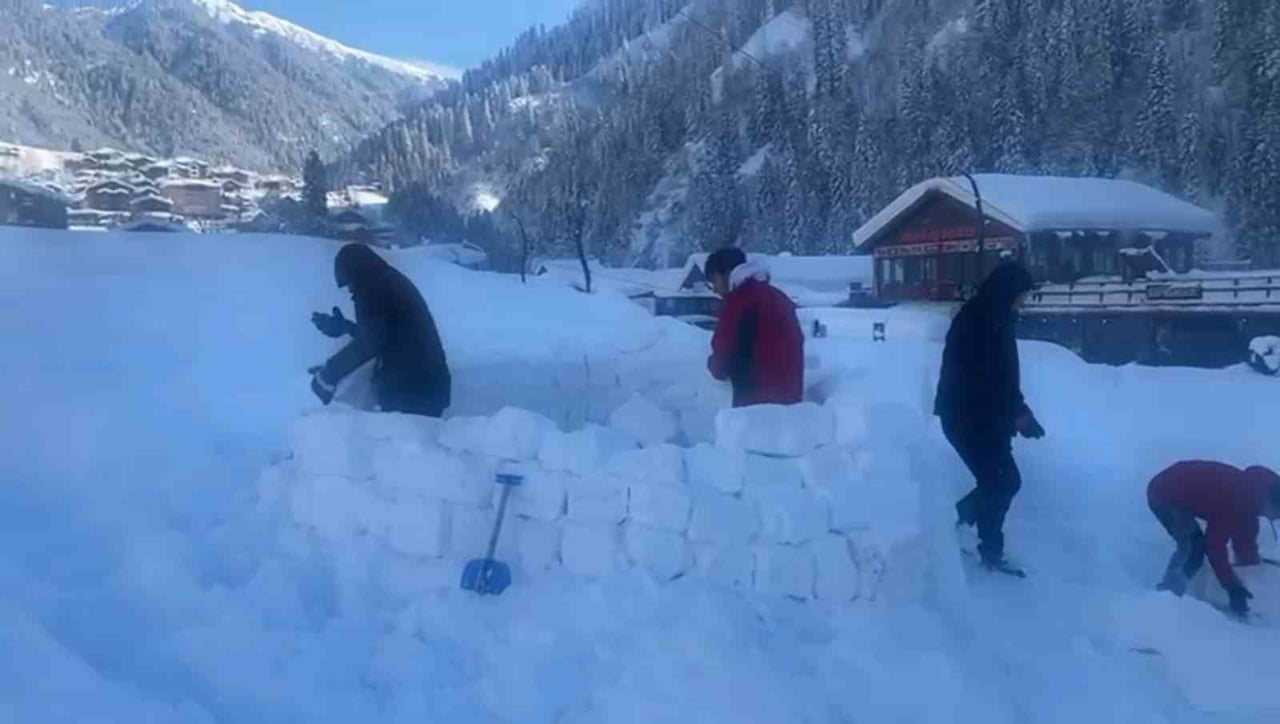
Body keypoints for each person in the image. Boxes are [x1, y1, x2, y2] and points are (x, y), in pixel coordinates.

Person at [935, 261, 1044, 571]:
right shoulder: (981, 321)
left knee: (999, 482)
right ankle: (951, 527)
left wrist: (1019, 411)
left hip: (982, 418)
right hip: (966, 417)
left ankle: (984, 546)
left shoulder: (995, 318)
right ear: (1007, 291)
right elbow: (982, 379)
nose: (1023, 302)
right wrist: (1014, 414)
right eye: (1021, 295)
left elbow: (1004, 378)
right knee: (1002, 481)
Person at [309, 243, 451, 418]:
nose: (351, 290)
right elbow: (386, 334)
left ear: (356, 273)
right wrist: (344, 327)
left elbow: (369, 344)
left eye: (349, 284)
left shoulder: (373, 289)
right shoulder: (385, 281)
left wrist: (328, 374)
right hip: (423, 386)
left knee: (401, 443)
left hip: (412, 391)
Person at [1147, 460, 1280, 616]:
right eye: (1278, 514)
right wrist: (1232, 587)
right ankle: (1166, 598)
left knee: (1201, 546)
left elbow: (1245, 542)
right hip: (1164, 494)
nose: (1277, 519)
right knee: (1194, 548)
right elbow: (1215, 547)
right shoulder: (1232, 501)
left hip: (1188, 490)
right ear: (1269, 504)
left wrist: (1253, 570)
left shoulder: (1253, 496)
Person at [704, 247, 804, 408]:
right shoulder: (777, 296)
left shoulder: (738, 301)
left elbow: (724, 357)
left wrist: (713, 365)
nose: (715, 289)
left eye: (714, 281)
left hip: (755, 406)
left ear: (727, 273)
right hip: (790, 405)